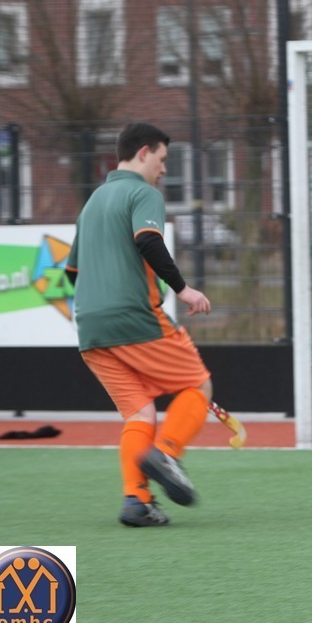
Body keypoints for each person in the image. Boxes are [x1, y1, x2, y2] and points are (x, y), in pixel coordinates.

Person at [65, 122, 214, 528]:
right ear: (143, 152)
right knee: (198, 385)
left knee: (139, 413)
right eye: (162, 160)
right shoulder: (143, 193)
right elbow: (148, 241)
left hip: (90, 328)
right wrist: (183, 290)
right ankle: (166, 454)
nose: (164, 170)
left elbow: (73, 272)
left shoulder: (93, 202)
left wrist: (102, 302)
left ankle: (137, 501)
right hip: (134, 317)